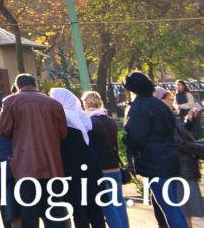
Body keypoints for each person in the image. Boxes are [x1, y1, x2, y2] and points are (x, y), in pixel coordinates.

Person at [0, 74, 67, 228]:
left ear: (18, 85)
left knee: (29, 212)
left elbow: (4, 130)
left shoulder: (10, 101)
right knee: (54, 211)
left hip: (25, 165)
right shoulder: (54, 103)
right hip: (52, 164)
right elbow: (63, 133)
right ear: (35, 84)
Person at [124, 72, 188, 228]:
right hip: (169, 157)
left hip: (154, 161)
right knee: (173, 205)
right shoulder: (159, 105)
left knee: (168, 207)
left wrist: (126, 140)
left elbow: (136, 137)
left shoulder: (138, 107)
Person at [50, 87, 101, 228]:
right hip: (91, 166)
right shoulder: (82, 116)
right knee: (95, 207)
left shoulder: (61, 118)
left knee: (78, 208)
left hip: (72, 168)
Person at [83, 91, 127, 228]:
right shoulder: (109, 120)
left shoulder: (89, 121)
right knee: (119, 204)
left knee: (108, 206)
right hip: (115, 167)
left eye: (83, 102)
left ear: (88, 103)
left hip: (101, 169)